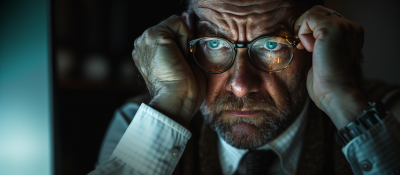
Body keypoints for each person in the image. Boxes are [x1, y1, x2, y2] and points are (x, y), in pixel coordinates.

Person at [88, 0, 400, 174]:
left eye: (271, 45)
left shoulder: (388, 118)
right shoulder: (137, 123)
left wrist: (342, 99)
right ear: (184, 37)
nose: (240, 85)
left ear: (314, 36)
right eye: (213, 43)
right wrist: (172, 103)